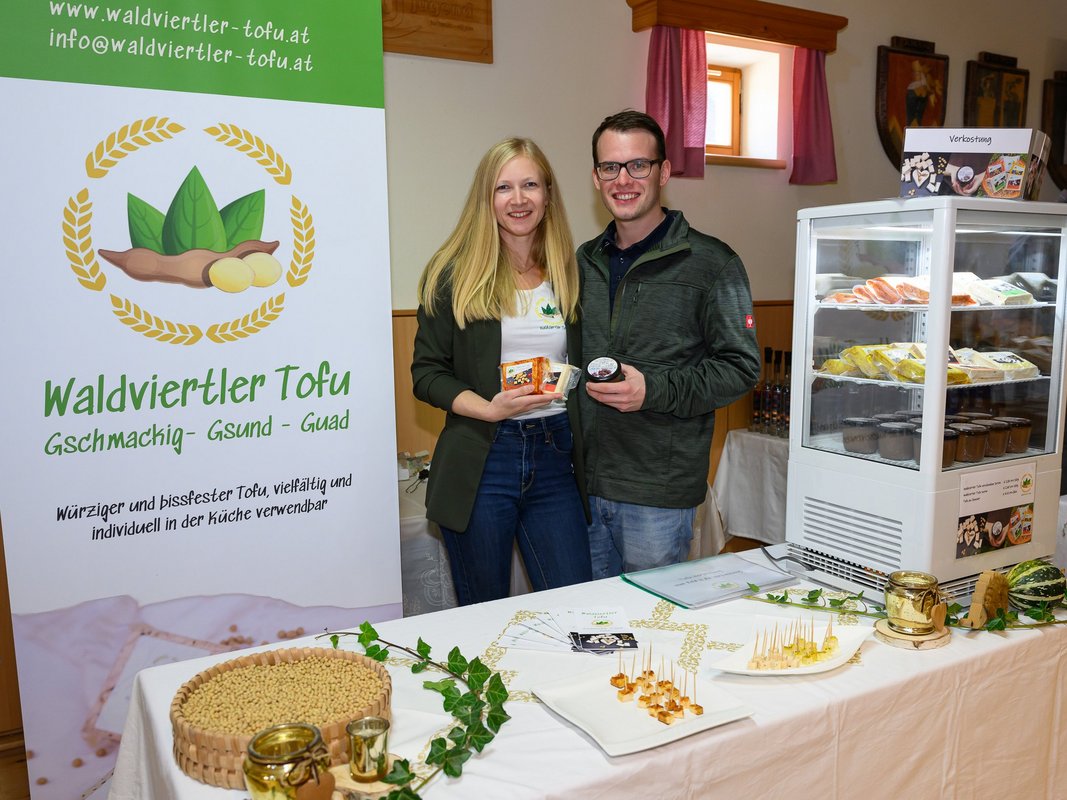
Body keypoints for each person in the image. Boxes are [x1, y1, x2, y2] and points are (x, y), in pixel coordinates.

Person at [578, 110, 760, 578]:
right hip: (581, 488)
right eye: (610, 167)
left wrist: (654, 390)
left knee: (652, 618)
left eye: (638, 165)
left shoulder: (712, 263)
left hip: (658, 496)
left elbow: (741, 367)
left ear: (663, 172)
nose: (623, 180)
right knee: (587, 618)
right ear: (596, 178)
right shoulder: (582, 262)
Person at [412, 137, 592, 605]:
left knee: (574, 607)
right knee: (484, 615)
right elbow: (427, 373)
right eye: (503, 187)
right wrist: (488, 409)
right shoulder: (453, 275)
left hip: (555, 455)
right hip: (484, 458)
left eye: (530, 184)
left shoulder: (570, 273)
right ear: (486, 198)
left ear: (548, 194)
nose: (518, 199)